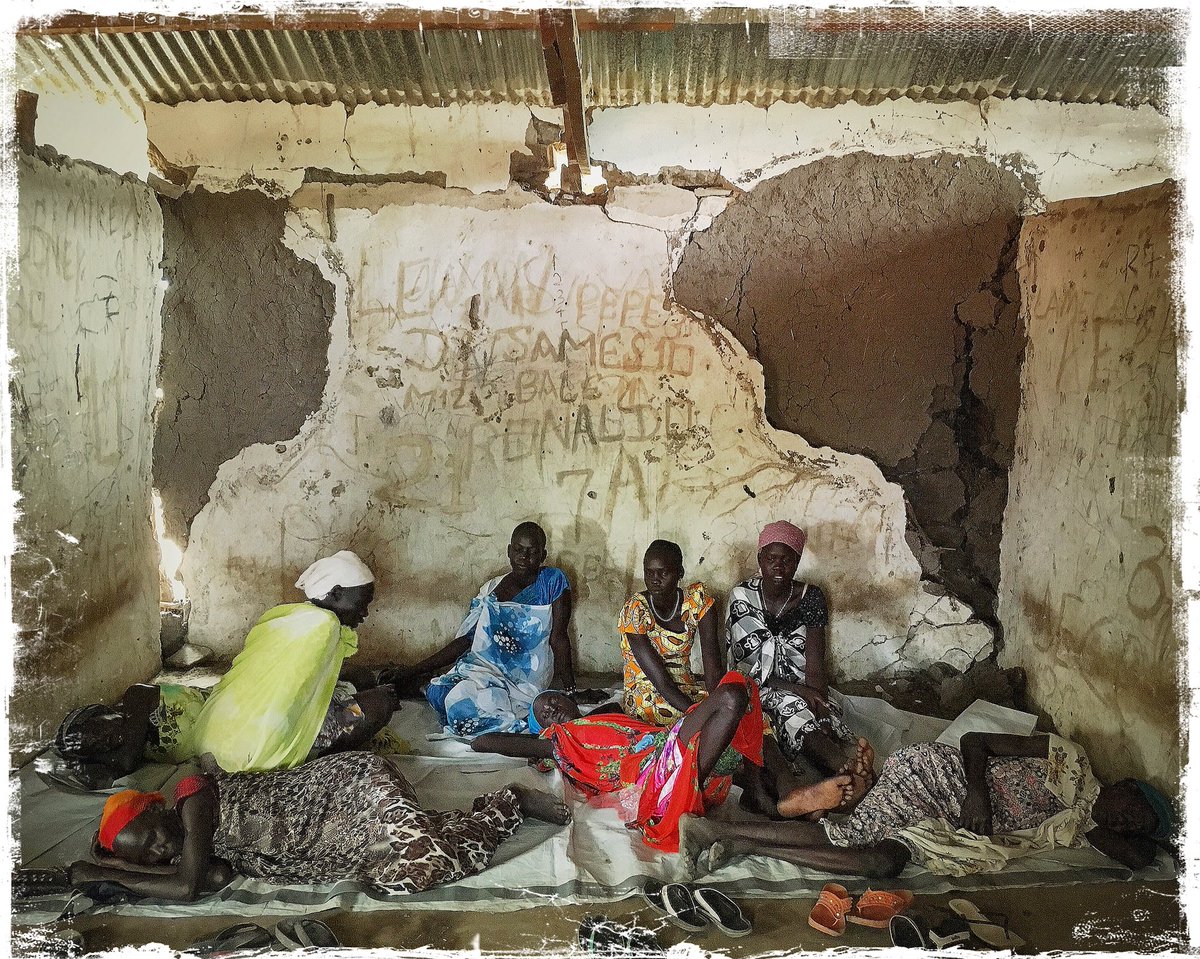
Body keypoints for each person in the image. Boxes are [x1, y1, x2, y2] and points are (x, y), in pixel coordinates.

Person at [66, 751, 571, 901]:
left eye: (152, 833)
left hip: (348, 787)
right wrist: (118, 868)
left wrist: (100, 874)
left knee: (424, 857)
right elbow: (207, 881)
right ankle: (487, 813)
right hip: (339, 839)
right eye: (151, 853)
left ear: (158, 809)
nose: (161, 847)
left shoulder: (193, 797)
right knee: (402, 875)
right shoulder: (196, 849)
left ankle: (510, 801)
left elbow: (186, 884)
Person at [677, 731, 1175, 878]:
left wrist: (1155, 832)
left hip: (942, 823)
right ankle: (714, 830)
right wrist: (978, 790)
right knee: (855, 833)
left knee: (883, 862)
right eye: (1133, 806)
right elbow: (977, 741)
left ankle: (736, 837)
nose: (1125, 818)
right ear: (1127, 784)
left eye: (1134, 823)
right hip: (940, 775)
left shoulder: (1085, 822)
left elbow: (1140, 857)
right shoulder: (1070, 759)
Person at [472, 672, 858, 853]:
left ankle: (771, 796)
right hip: (658, 782)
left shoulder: (605, 715)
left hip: (670, 753)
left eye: (553, 699)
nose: (552, 708)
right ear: (544, 733)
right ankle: (778, 793)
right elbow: (489, 742)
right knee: (732, 696)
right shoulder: (562, 743)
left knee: (746, 702)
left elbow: (626, 720)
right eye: (545, 713)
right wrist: (505, 736)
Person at [184, 550, 397, 773]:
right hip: (259, 749)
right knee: (382, 702)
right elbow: (296, 698)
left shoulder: (288, 615)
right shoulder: (325, 625)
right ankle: (310, 758)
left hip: (214, 737)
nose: (364, 613)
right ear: (335, 593)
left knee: (360, 676)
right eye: (361, 603)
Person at [727, 521, 868, 786]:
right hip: (756, 688)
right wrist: (799, 693)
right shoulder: (742, 597)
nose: (778, 566)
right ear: (760, 559)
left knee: (816, 717)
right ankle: (845, 770)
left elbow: (815, 667)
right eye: (771, 558)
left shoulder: (811, 597)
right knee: (791, 711)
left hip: (804, 687)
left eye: (787, 559)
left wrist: (820, 705)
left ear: (798, 560)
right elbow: (743, 670)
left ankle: (843, 771)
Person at [409, 522, 574, 737]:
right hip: (484, 668)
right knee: (444, 691)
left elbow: (559, 639)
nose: (524, 557)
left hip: (525, 679)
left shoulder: (553, 581)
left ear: (543, 555)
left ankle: (500, 727)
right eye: (518, 550)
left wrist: (571, 690)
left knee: (461, 705)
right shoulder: (490, 590)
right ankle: (425, 686)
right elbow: (466, 641)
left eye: (532, 552)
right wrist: (412, 669)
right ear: (508, 551)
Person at [619, 540, 722, 726]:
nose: (655, 579)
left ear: (680, 573)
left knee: (743, 711)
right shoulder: (635, 611)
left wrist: (717, 706)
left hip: (686, 689)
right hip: (648, 694)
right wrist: (701, 716)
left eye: (663, 573)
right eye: (649, 573)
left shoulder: (697, 602)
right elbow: (661, 683)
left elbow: (713, 672)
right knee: (674, 717)